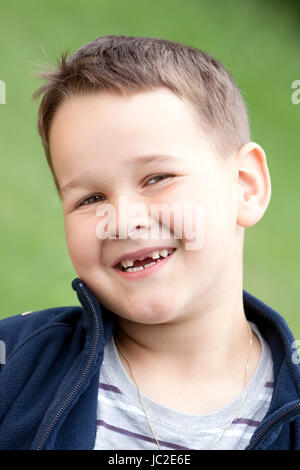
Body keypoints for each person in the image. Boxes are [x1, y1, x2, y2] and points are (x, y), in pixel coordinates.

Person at [1, 34, 300, 450]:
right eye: (91, 198)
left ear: (245, 187)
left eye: (157, 178)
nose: (123, 221)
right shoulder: (15, 364)